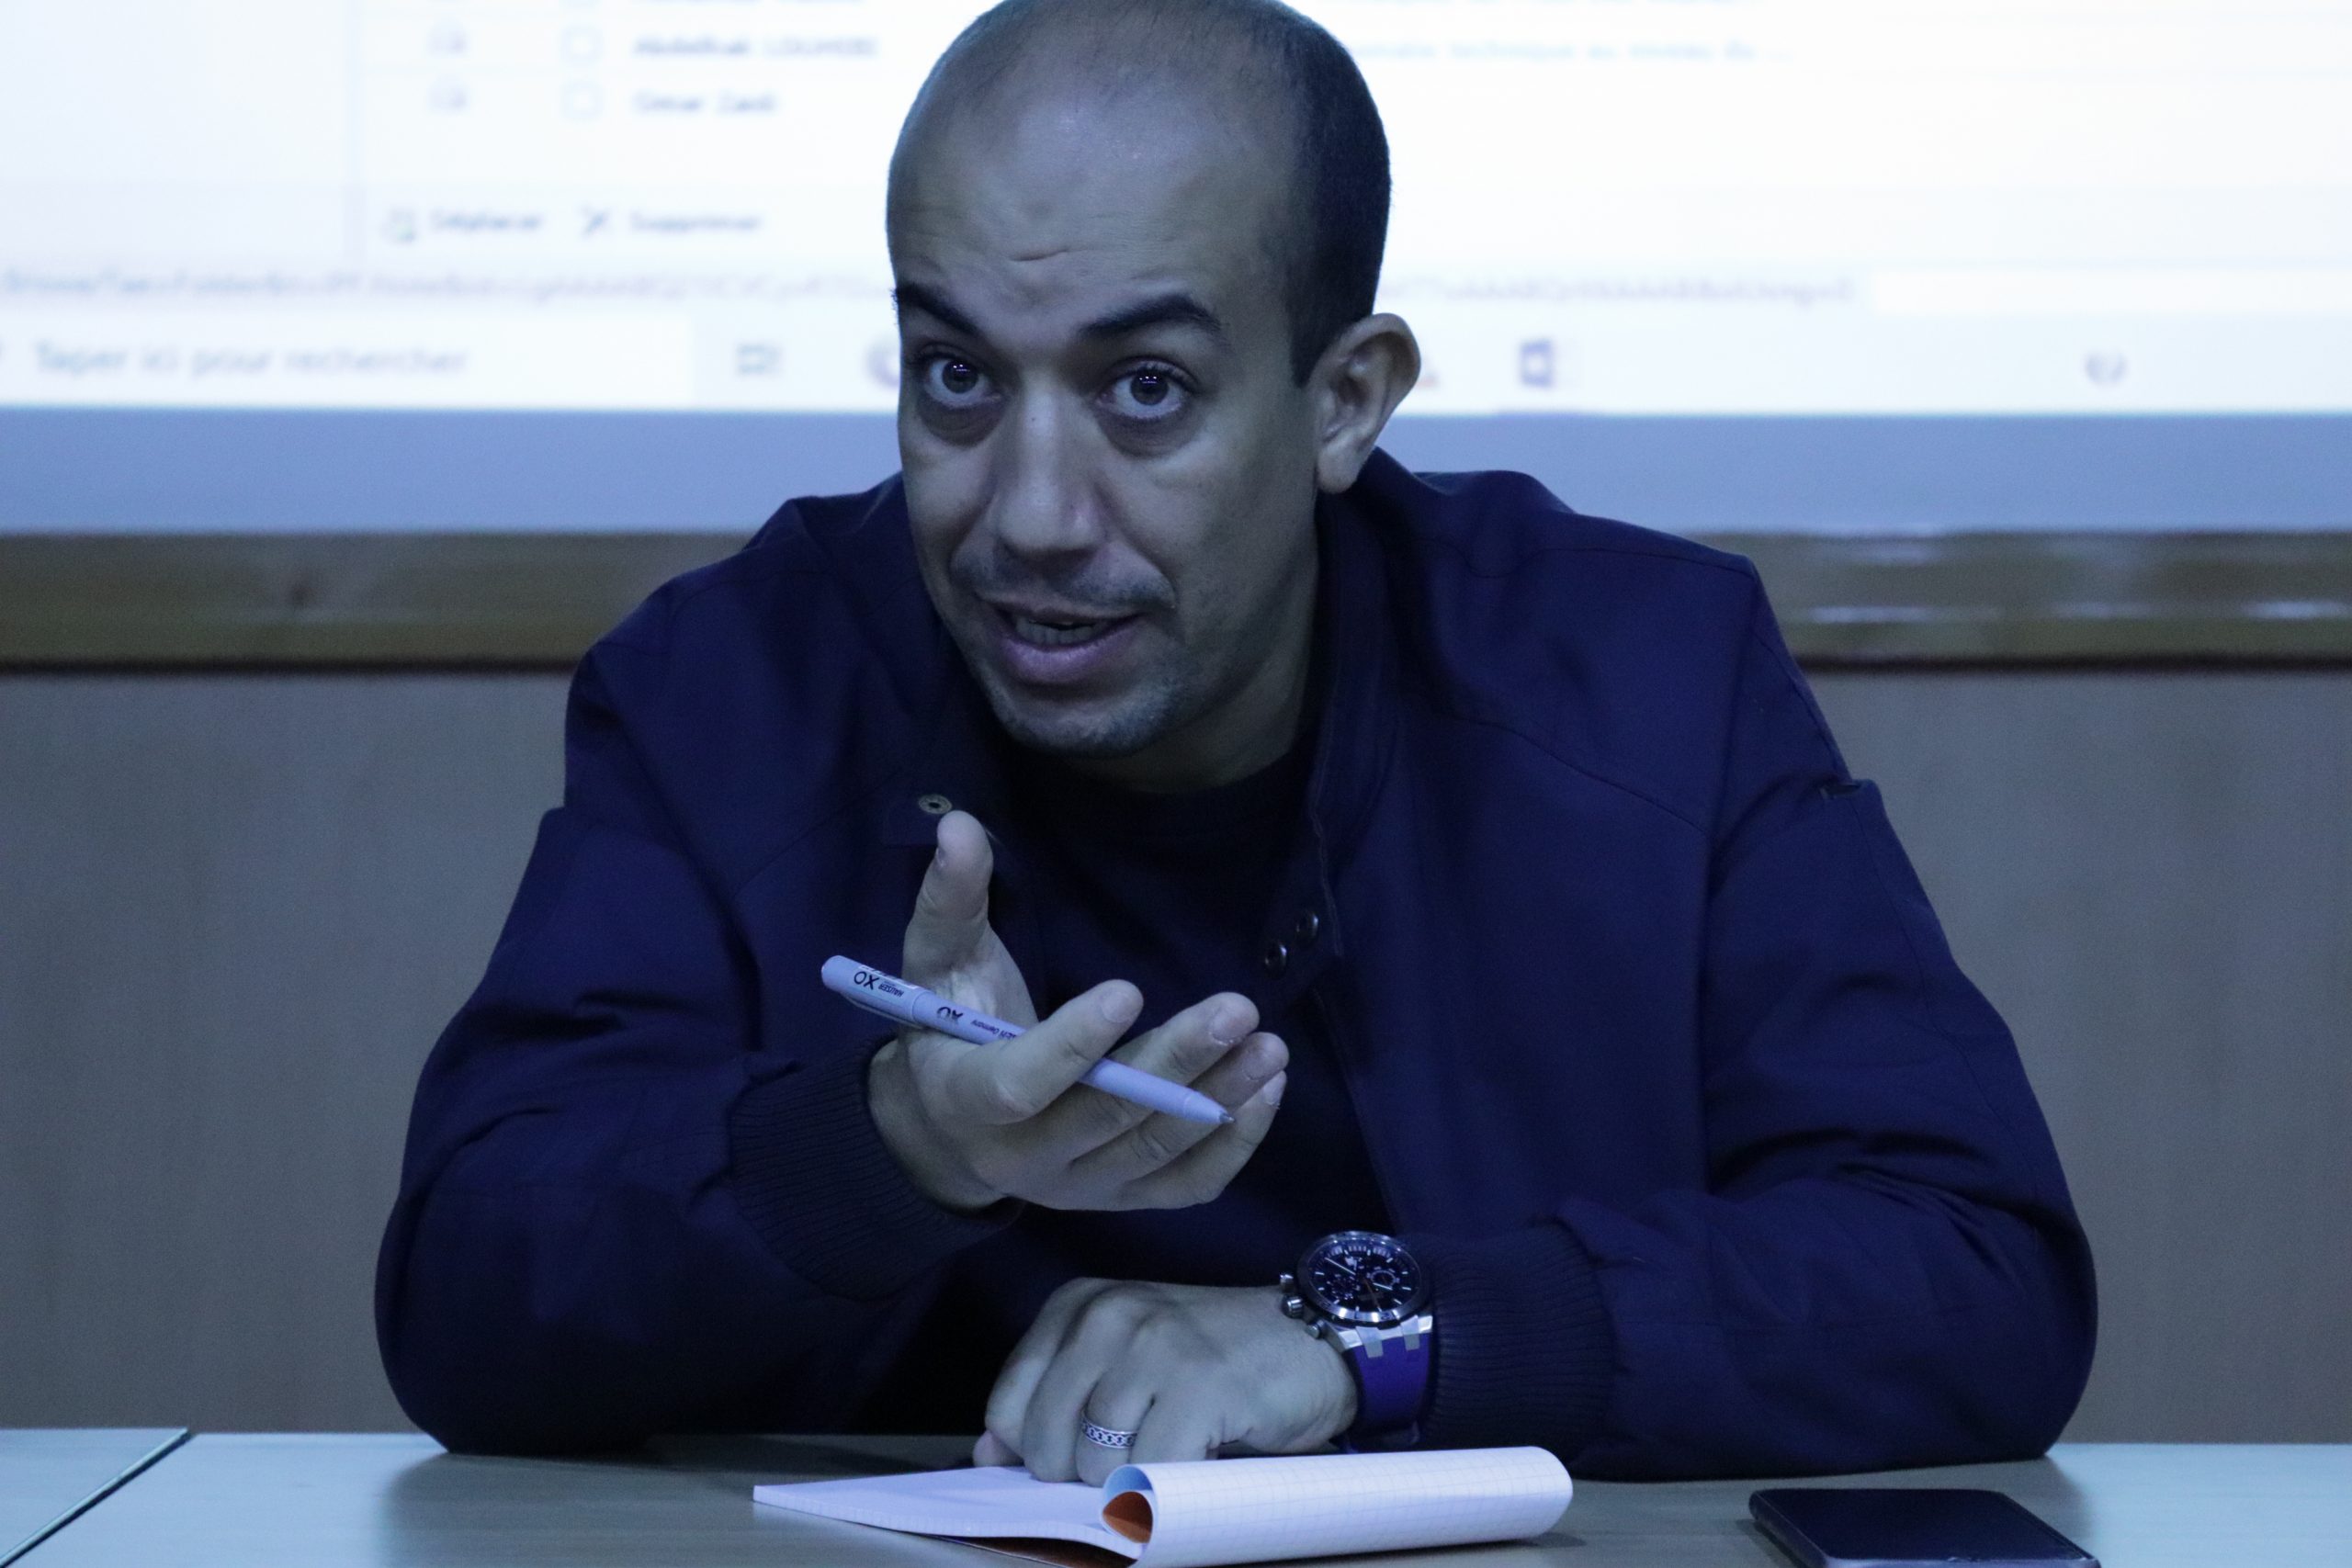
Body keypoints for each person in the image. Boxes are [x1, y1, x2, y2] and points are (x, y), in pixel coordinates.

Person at [375, 0, 2096, 1480]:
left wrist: (1372, 1333)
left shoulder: (1639, 679)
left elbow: (1972, 1276)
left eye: (1146, 391)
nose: (1030, 516)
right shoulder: (735, 686)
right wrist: (899, 1143)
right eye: (957, 376)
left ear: (1344, 401)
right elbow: (468, 1297)